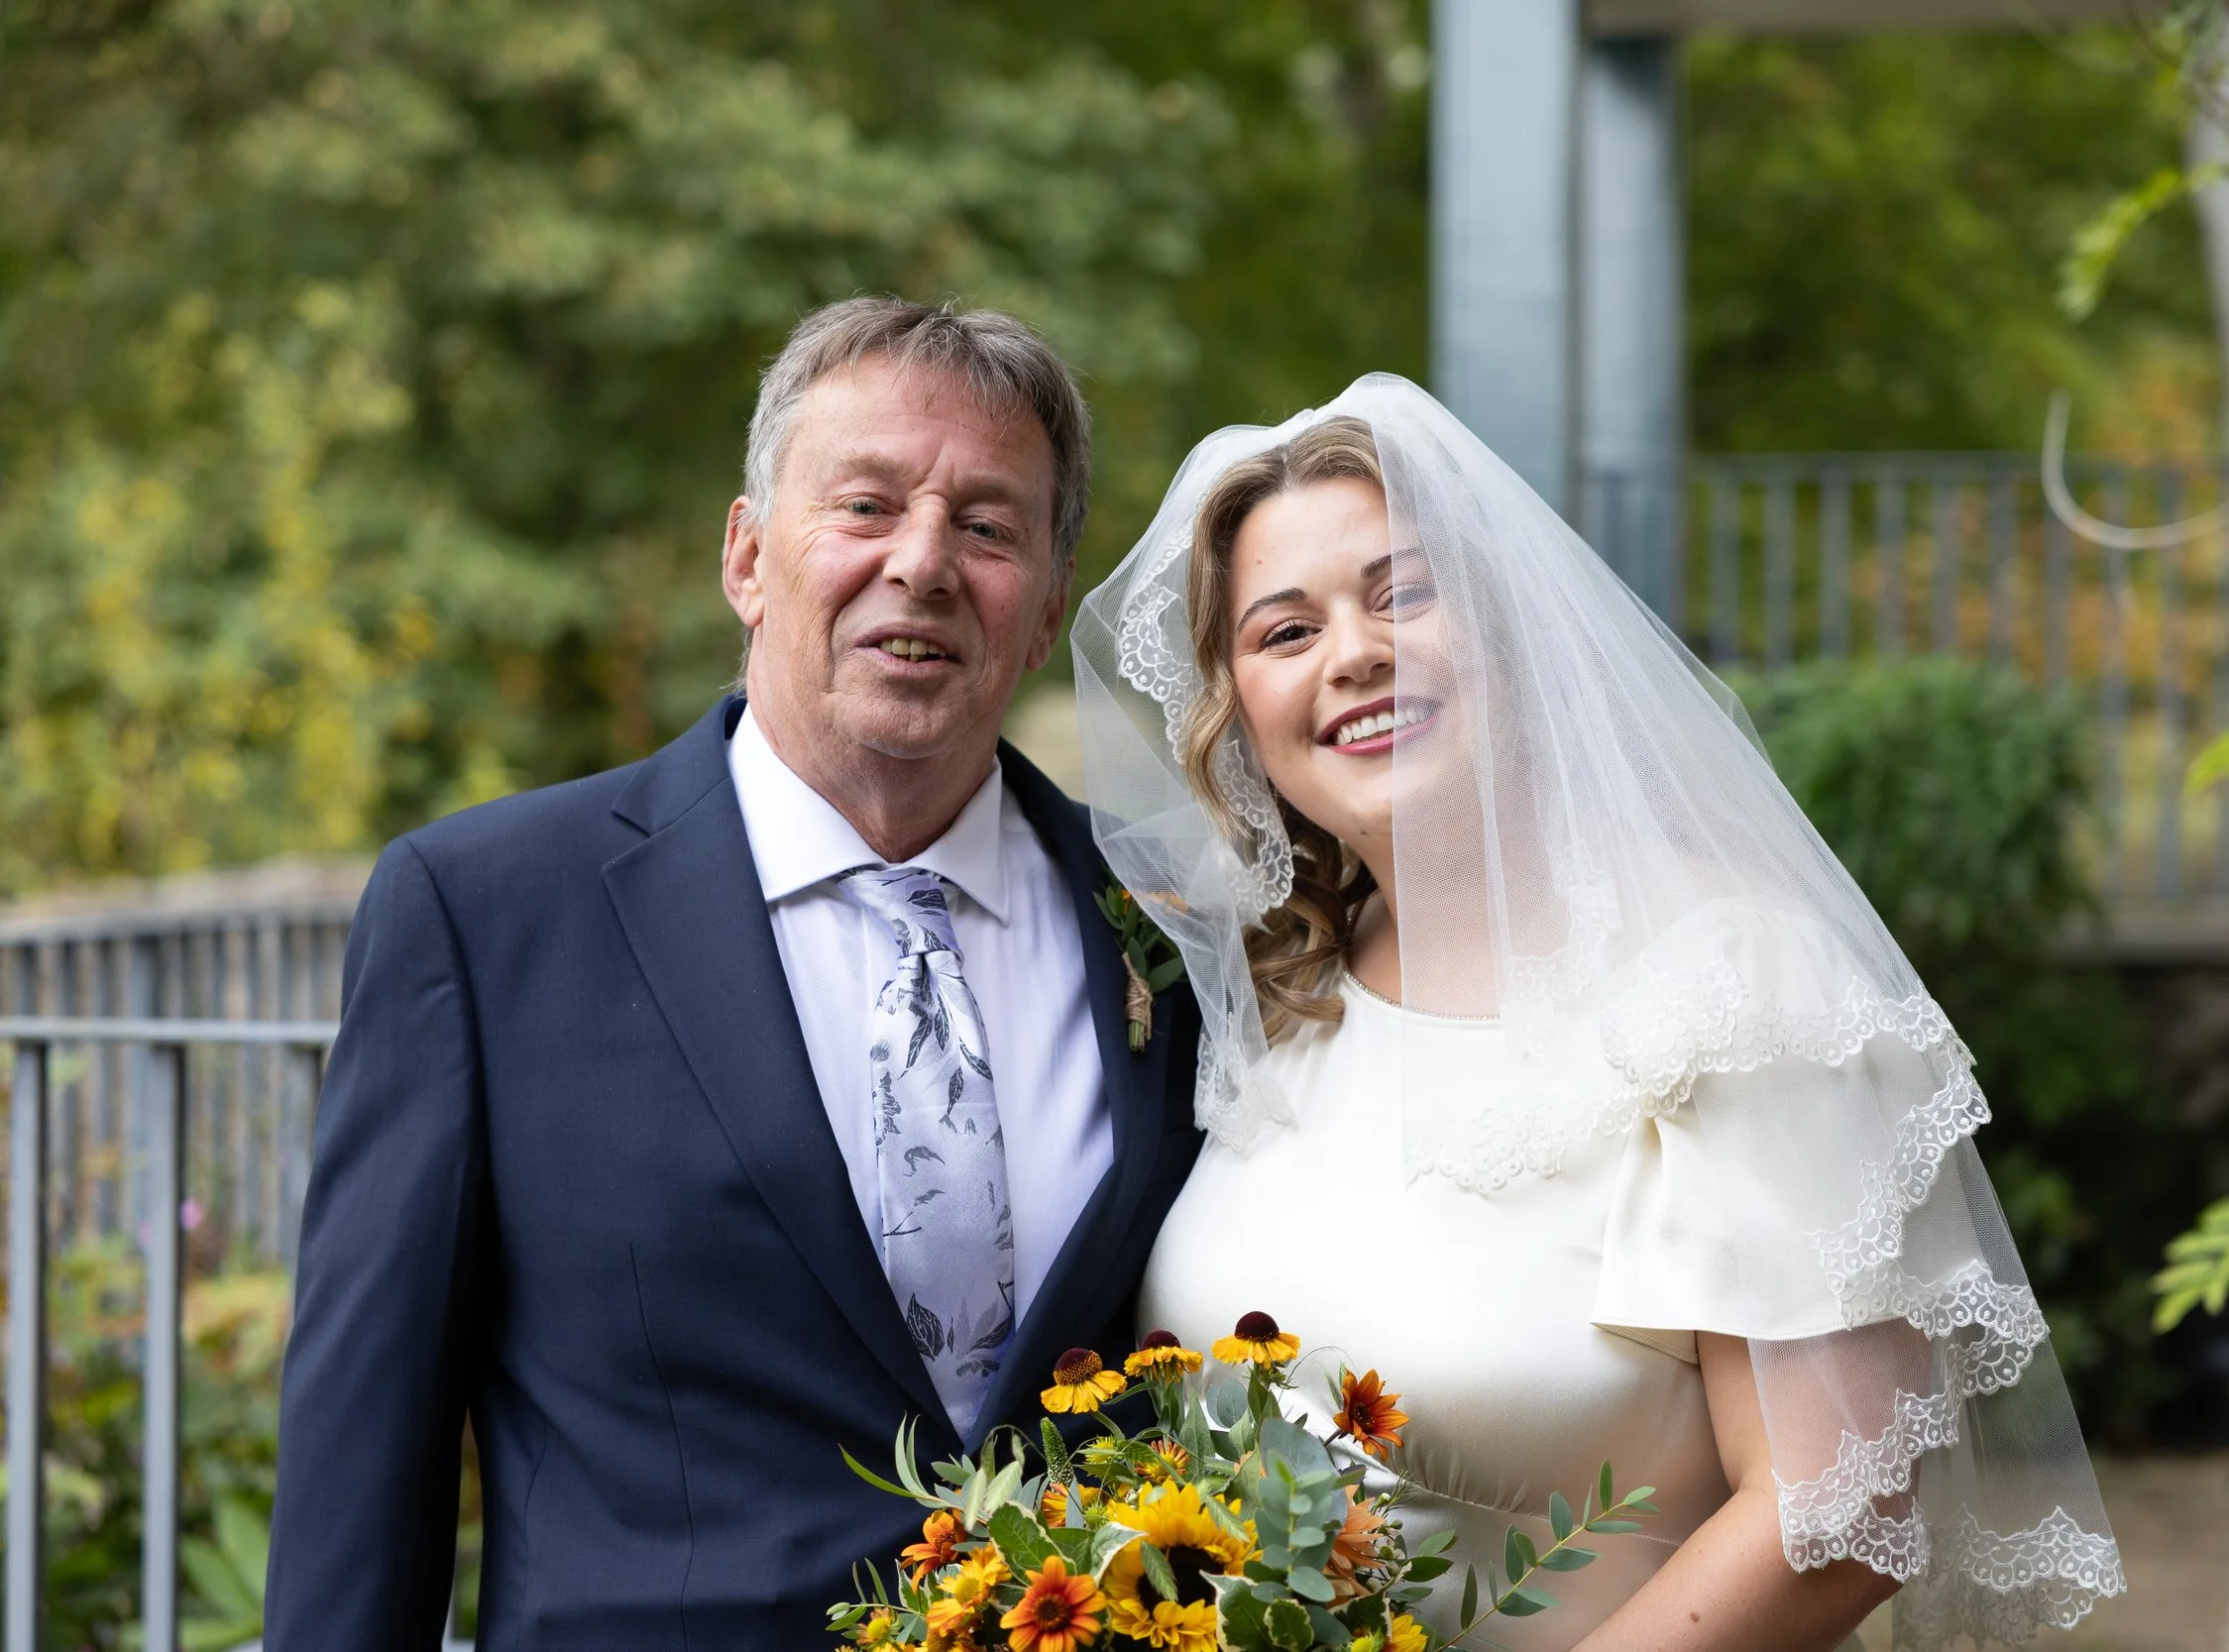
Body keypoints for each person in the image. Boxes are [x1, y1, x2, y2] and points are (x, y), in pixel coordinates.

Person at [1072, 377, 2124, 1652]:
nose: (1352, 649)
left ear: (1515, 631)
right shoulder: (1280, 997)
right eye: (1284, 631)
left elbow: (1841, 1506)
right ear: (1239, 715)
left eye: (1401, 591)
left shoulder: (1735, 982)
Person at [265, 296, 1203, 1647]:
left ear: (1049, 605)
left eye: (988, 526)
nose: (923, 563)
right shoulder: (483, 915)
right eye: (865, 504)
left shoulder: (1167, 930)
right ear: (748, 555)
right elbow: (365, 1455)